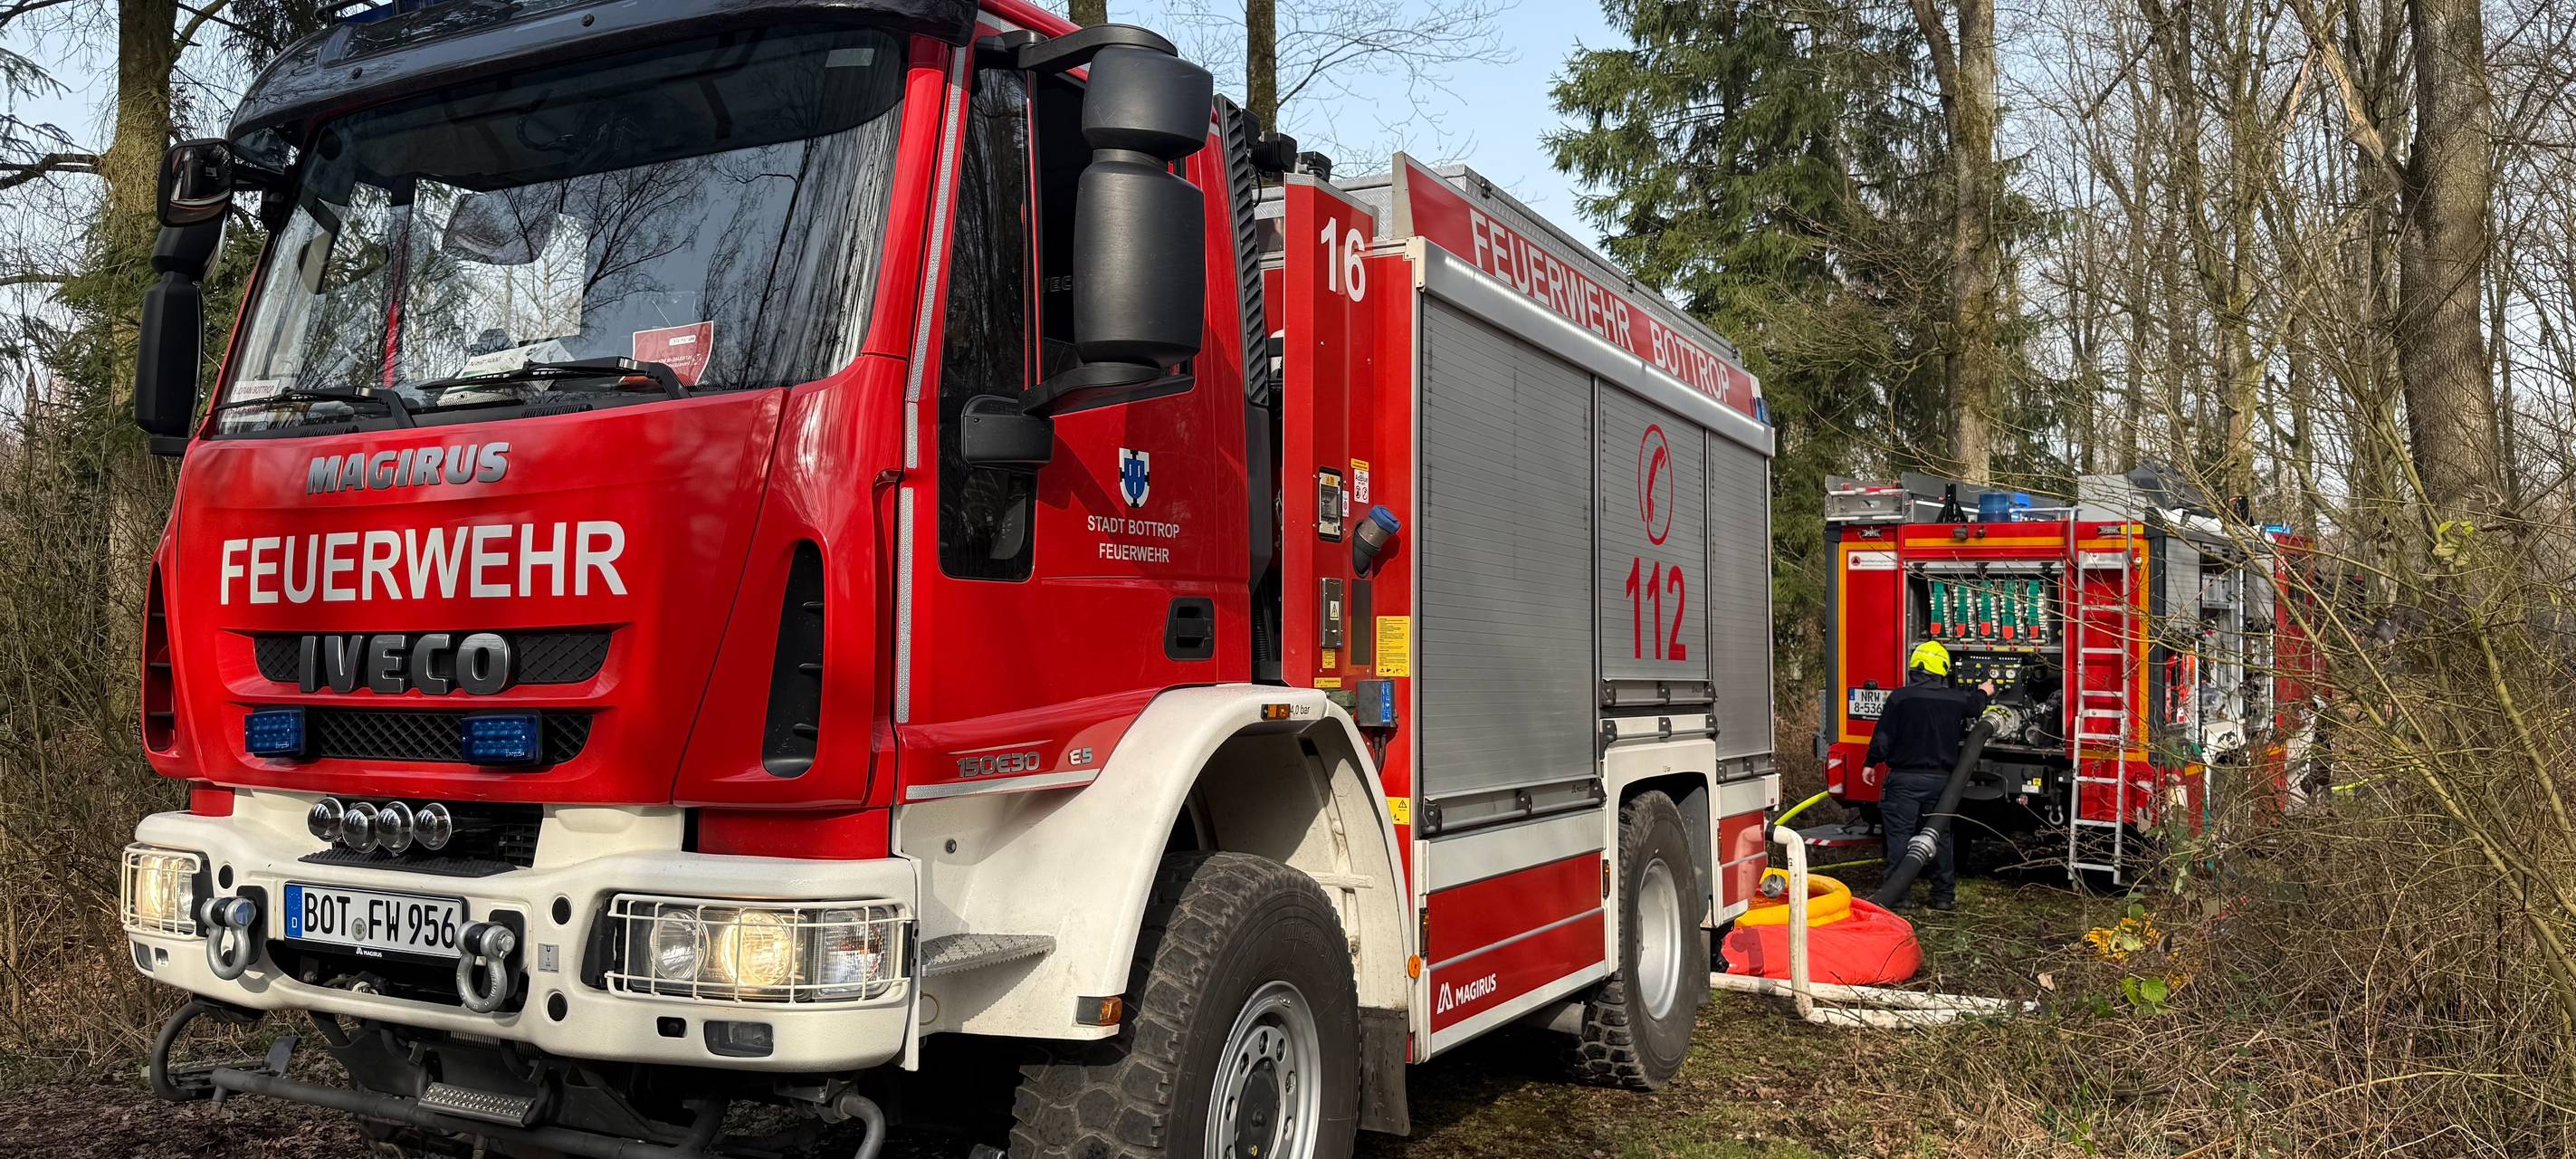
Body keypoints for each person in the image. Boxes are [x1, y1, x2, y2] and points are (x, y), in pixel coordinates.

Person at [1863, 640, 1994, 911]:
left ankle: (1899, 897)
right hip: (1941, 784)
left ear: (1915, 668)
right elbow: (1975, 707)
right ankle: (1943, 896)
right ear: (1942, 669)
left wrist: (1870, 763)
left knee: (1899, 838)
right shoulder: (1956, 699)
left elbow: (1883, 737)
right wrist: (1985, 690)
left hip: (1904, 781)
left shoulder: (1899, 698)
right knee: (1940, 836)